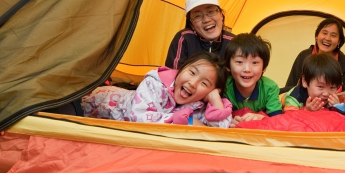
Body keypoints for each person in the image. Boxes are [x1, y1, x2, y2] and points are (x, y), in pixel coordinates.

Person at [82, 52, 232, 127]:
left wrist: (215, 99)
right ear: (181, 69)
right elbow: (139, 118)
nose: (193, 83)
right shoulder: (155, 84)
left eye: (204, 84)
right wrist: (189, 122)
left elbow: (220, 130)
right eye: (192, 72)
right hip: (103, 103)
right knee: (83, 98)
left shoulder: (199, 104)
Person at [284, 17, 345, 91]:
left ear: (339, 41)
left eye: (333, 35)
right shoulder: (303, 56)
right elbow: (290, 89)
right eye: (324, 33)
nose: (327, 38)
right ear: (317, 36)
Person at [223, 33, 284, 125]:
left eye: (255, 62)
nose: (247, 69)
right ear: (228, 66)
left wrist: (262, 118)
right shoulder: (224, 87)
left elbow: (277, 120)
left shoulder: (270, 88)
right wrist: (227, 122)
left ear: (264, 68)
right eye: (239, 62)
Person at [165, 0, 234, 69]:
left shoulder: (234, 42)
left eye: (211, 12)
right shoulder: (184, 38)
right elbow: (172, 76)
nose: (206, 20)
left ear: (221, 15)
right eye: (197, 16)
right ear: (192, 24)